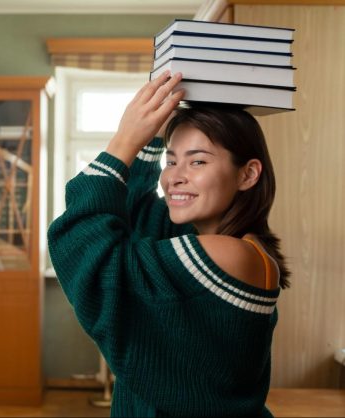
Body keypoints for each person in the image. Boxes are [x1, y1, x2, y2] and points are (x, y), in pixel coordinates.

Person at [47, 70, 290, 417]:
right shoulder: (206, 242)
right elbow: (128, 221)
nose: (175, 176)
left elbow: (86, 248)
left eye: (198, 161)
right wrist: (150, 139)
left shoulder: (230, 254)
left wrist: (123, 143)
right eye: (171, 161)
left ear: (248, 174)